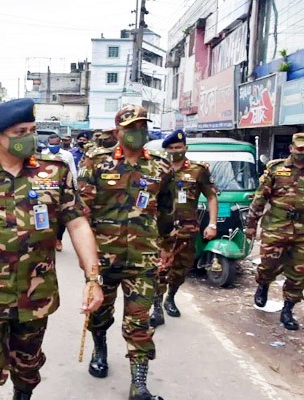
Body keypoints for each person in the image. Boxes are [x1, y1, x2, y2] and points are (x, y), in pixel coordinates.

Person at [0, 98, 104, 400]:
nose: (29, 137)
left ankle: (23, 392)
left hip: (36, 294)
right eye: (20, 131)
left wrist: (93, 278)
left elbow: (77, 224)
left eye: (32, 130)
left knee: (27, 369)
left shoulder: (56, 173)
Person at [78, 104, 174, 400]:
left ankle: (139, 384)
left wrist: (168, 246)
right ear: (118, 131)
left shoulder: (161, 165)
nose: (138, 133)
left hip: (143, 258)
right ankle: (100, 347)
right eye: (131, 128)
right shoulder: (96, 162)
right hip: (103, 258)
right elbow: (81, 213)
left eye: (142, 126)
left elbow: (167, 211)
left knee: (139, 321)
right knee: (100, 313)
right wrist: (88, 260)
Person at [245, 132, 304, 330]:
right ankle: (263, 284)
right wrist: (251, 224)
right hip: (276, 226)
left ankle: (288, 309)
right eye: (300, 149)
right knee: (268, 265)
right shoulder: (276, 169)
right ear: (291, 148)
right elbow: (260, 198)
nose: (303, 153)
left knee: (299, 272)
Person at [150, 130, 218, 327]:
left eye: (178, 147)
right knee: (158, 268)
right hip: (160, 230)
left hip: (187, 228)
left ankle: (170, 297)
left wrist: (212, 224)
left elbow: (212, 196)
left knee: (181, 268)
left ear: (186, 148)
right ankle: (156, 307)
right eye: (170, 148)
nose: (174, 151)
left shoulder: (198, 170)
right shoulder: (156, 169)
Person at [42, 133, 78, 252]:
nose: (54, 146)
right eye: (51, 144)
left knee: (61, 217)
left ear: (60, 143)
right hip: (46, 188)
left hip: (63, 188)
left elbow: (73, 170)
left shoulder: (67, 155)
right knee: (46, 215)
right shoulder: (42, 155)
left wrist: (75, 187)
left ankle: (58, 239)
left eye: (56, 144)